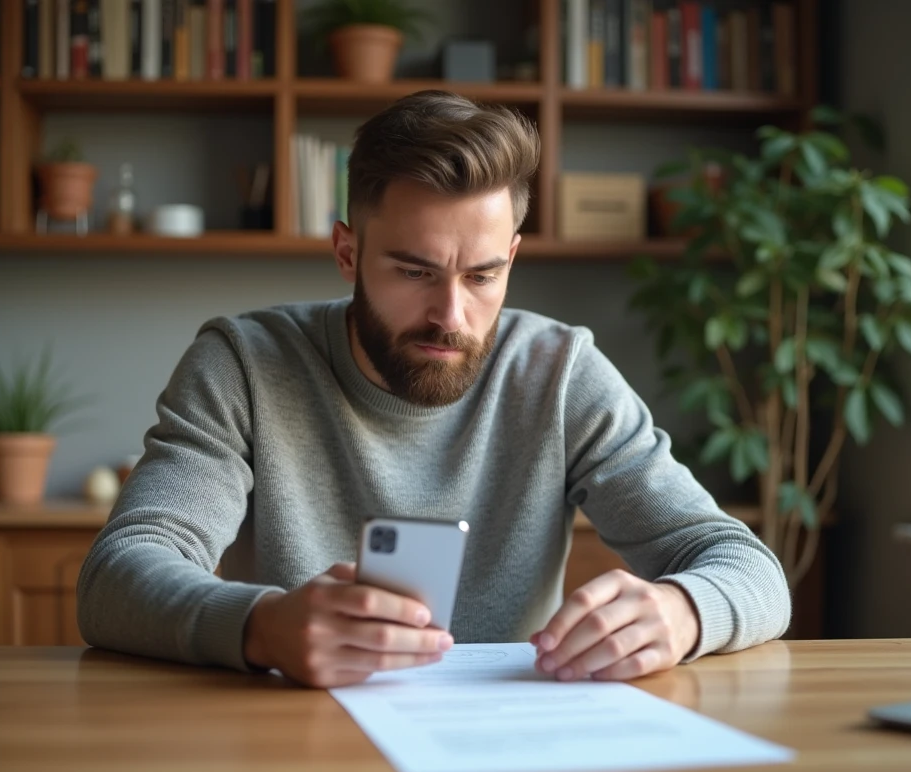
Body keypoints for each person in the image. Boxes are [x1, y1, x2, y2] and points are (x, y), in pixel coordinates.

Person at [77, 90, 791, 689]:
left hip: (503, 756)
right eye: (414, 271)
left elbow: (749, 569)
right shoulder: (242, 364)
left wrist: (681, 613)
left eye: (482, 276)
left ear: (512, 255)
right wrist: (262, 627)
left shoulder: (561, 372)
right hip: (288, 746)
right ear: (347, 252)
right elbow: (117, 577)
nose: (452, 316)